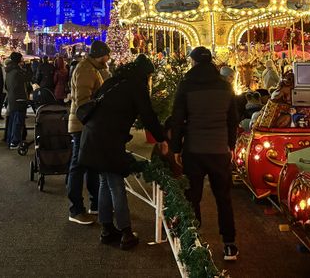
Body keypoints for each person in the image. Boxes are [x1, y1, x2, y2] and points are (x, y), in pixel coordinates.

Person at [80, 54, 167, 249]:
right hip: (108, 140)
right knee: (116, 184)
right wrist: (162, 138)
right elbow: (148, 116)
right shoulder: (137, 87)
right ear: (145, 74)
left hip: (92, 137)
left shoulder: (113, 82)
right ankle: (126, 233)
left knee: (105, 181)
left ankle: (107, 229)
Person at [170, 46, 239, 261]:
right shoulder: (224, 86)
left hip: (194, 148)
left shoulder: (187, 85)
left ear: (193, 62)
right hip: (219, 150)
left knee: (193, 197)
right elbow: (233, 119)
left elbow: (177, 119)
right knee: (224, 198)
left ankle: (195, 241)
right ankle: (229, 244)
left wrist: (175, 148)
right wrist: (230, 144)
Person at [66, 40, 110, 225]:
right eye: (107, 55)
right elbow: (83, 101)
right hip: (82, 125)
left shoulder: (93, 69)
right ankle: (76, 209)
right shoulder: (86, 70)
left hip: (88, 124)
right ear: (100, 55)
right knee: (78, 166)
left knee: (90, 165)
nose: (108, 59)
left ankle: (95, 203)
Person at [5, 52, 31, 149]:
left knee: (12, 120)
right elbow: (27, 78)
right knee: (18, 121)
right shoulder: (17, 71)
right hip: (19, 98)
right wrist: (28, 68)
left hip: (12, 98)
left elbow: (6, 86)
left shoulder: (9, 70)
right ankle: (14, 142)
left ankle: (10, 140)